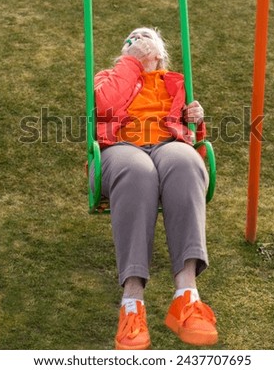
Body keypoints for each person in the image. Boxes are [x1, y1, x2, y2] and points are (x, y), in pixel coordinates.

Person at [90, 27, 218, 350]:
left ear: (160, 53)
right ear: (124, 53)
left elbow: (188, 132)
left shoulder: (173, 82)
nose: (139, 40)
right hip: (121, 147)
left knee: (187, 163)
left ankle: (186, 296)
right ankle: (132, 304)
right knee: (138, 171)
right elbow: (105, 106)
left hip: (166, 144)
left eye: (147, 38)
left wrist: (196, 119)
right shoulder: (109, 77)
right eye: (132, 39)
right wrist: (131, 64)